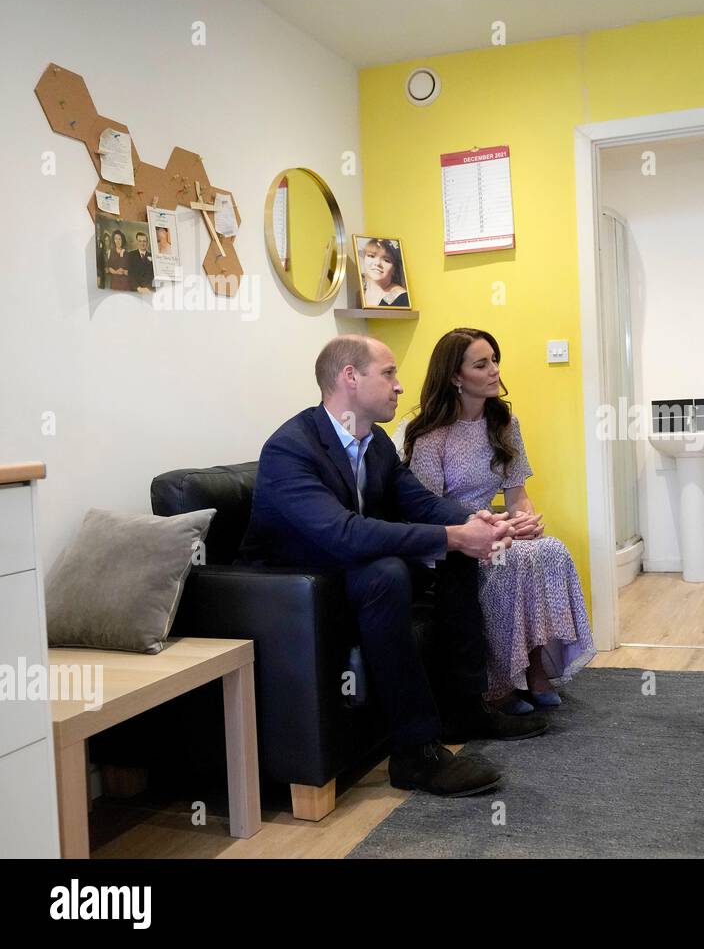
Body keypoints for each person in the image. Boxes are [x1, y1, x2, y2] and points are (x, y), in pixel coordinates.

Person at [240, 335, 548, 798]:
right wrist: (453, 535)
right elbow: (341, 533)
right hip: (292, 586)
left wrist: (482, 523)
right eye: (388, 374)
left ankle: (465, 708)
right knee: (388, 573)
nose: (400, 387)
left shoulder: (374, 441)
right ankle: (415, 753)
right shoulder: (292, 449)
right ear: (350, 377)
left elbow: (418, 501)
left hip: (345, 566)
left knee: (456, 556)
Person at [406, 328, 595, 713]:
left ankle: (536, 668)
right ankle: (498, 684)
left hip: (498, 529)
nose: (494, 371)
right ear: (456, 377)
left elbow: (518, 496)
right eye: (481, 364)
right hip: (455, 540)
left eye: (495, 360)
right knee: (513, 562)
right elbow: (424, 508)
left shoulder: (505, 424)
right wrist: (491, 527)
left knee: (549, 550)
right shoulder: (430, 435)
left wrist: (525, 522)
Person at [359, 238, 409, 307]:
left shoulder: (401, 297)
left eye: (386, 260)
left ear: (394, 269)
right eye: (371, 256)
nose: (377, 263)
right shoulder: (359, 291)